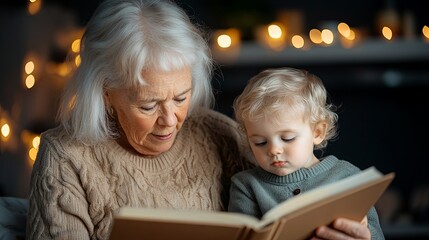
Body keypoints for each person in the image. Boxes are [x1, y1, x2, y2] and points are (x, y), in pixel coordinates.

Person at [25, 0, 374, 239]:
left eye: (181, 97)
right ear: (105, 92)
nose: (170, 120)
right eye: (148, 105)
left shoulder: (219, 133)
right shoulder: (66, 157)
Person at [229, 67, 384, 239]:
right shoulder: (246, 185)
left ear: (317, 132)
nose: (273, 150)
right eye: (260, 142)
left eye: (287, 138)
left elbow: (376, 234)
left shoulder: (348, 177)